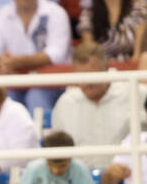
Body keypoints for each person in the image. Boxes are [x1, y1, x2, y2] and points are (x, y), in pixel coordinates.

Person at [50, 40, 132, 170]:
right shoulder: (65, 103)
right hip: (79, 183)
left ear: (106, 68)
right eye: (81, 76)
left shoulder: (133, 93)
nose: (87, 83)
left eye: (92, 75)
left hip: (127, 179)